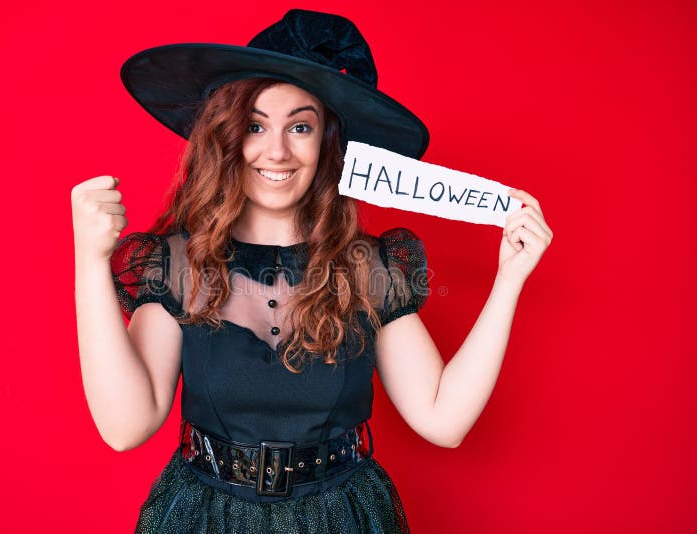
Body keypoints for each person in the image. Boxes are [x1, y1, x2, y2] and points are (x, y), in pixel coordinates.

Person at [71, 9, 552, 533]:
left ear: (327, 144)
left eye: (300, 126)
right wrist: (90, 262)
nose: (276, 151)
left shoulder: (368, 269)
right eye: (256, 125)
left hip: (341, 518)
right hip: (205, 518)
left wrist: (510, 279)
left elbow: (443, 419)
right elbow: (125, 427)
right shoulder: (179, 264)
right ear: (228, 136)